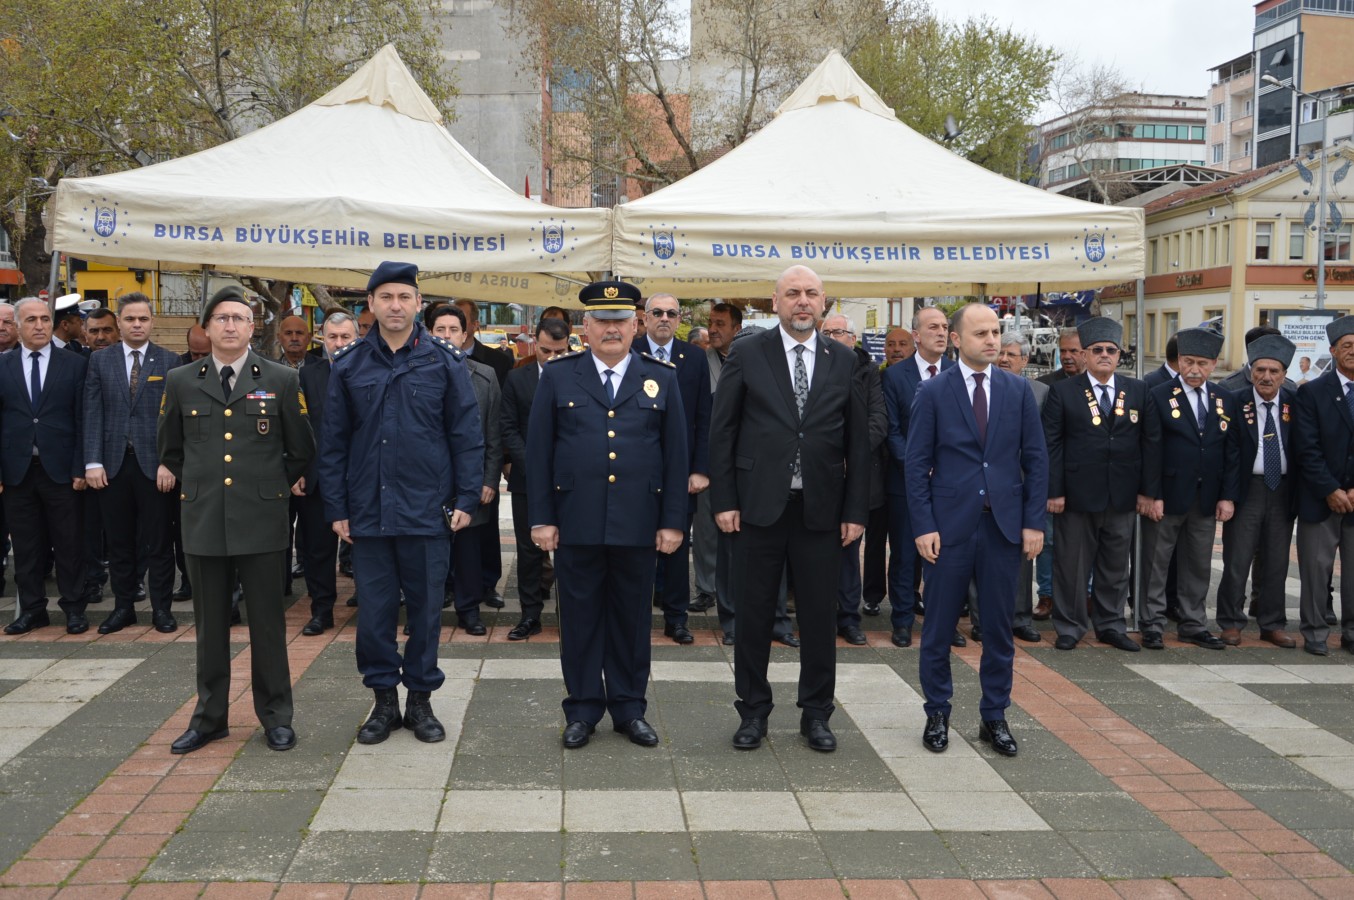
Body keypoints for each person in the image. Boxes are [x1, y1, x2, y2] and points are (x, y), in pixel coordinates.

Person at [320, 263, 483, 745]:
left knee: (427, 611)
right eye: (385, 297)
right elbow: (333, 443)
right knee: (372, 614)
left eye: (404, 297)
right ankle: (384, 701)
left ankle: (420, 702)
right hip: (368, 513)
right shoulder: (348, 365)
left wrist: (466, 498)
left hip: (427, 510)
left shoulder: (444, 362)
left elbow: (466, 435)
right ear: (369, 304)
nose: (395, 305)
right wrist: (337, 508)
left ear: (418, 303)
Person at [710, 265, 868, 754]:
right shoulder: (748, 353)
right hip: (758, 508)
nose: (803, 301)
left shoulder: (845, 361)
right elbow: (723, 430)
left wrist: (856, 510)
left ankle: (817, 714)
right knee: (754, 616)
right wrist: (725, 500)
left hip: (822, 509)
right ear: (774, 302)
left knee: (821, 618)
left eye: (812, 294)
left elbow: (858, 443)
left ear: (824, 303)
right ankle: (753, 712)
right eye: (793, 293)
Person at [526, 280, 688, 750]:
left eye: (621, 321)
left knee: (632, 620)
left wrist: (673, 520)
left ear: (636, 326)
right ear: (586, 327)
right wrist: (542, 518)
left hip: (639, 523)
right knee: (578, 619)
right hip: (576, 521)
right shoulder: (559, 376)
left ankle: (629, 708)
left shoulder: (663, 376)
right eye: (603, 321)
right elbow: (539, 455)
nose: (612, 329)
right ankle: (581, 709)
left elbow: (676, 456)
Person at [157, 285, 313, 753]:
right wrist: (203, 487)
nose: (229, 325)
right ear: (206, 328)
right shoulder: (181, 380)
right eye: (221, 318)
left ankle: (276, 717)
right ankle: (209, 719)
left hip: (262, 520)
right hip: (204, 520)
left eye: (238, 318)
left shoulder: (281, 378)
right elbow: (170, 449)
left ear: (252, 327)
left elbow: (301, 449)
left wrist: (268, 489)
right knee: (209, 629)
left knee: (267, 625)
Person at [906, 303, 1047, 758]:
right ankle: (937, 713)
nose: (992, 340)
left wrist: (1032, 522)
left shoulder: (1017, 390)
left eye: (996, 332)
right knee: (940, 626)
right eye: (982, 333)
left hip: (1004, 528)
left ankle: (994, 716)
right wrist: (924, 525)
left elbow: (1036, 461)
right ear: (957, 338)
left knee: (1000, 628)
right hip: (949, 529)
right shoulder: (934, 392)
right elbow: (916, 464)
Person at [1042, 317, 1158, 653]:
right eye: (1097, 350)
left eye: (1111, 349)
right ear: (1085, 356)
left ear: (1119, 354)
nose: (1104, 354)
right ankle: (1069, 626)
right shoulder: (1063, 392)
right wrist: (1055, 491)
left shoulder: (1137, 390)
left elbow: (1151, 442)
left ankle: (1110, 624)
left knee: (1115, 567)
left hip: (1121, 495)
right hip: (1076, 495)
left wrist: (1147, 492)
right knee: (1071, 565)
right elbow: (1052, 443)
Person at [84, 293, 182, 634]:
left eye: (142, 319)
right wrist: (92, 461)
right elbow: (92, 412)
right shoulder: (100, 361)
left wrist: (170, 462)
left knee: (159, 541)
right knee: (119, 542)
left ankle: (161, 609)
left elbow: (175, 418)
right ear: (120, 323)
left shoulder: (170, 361)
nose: (136, 324)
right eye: (130, 319)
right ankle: (123, 607)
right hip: (111, 466)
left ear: (151, 322)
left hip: (156, 468)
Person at [1140, 327, 1240, 651]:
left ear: (1214, 364)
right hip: (1167, 496)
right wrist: (1152, 494)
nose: (1194, 370)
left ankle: (1193, 623)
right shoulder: (1158, 394)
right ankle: (1152, 623)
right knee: (1157, 562)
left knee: (1198, 563)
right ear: (1179, 361)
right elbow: (1150, 448)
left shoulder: (1224, 398)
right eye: (1188, 362)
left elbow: (1232, 452)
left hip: (1206, 498)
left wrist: (1227, 495)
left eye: (1202, 363)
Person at [0, 298, 89, 635]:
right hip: (17, 471)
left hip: (62, 470)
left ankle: (74, 608)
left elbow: (83, 418)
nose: (39, 325)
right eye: (31, 320)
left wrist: (81, 465)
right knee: (25, 547)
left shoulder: (74, 364)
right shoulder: (3, 365)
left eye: (44, 319)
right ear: (17, 327)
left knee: (68, 543)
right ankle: (32, 610)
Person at [881, 306, 963, 648]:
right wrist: (918, 465)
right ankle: (902, 620)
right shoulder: (894, 376)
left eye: (945, 327)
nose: (941, 333)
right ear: (916, 335)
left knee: (946, 557)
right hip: (906, 482)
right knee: (905, 554)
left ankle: (943, 621)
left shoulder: (959, 373)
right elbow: (892, 430)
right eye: (933, 327)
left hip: (949, 485)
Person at [1217, 333, 1298, 648]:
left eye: (1273, 371)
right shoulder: (1236, 402)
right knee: (1237, 559)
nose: (1266, 376)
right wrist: (1227, 495)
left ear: (1283, 375)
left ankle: (1272, 623)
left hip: (1283, 489)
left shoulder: (1294, 402)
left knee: (1278, 561)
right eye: (1260, 370)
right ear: (1251, 371)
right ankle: (1231, 622)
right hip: (1247, 489)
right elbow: (1228, 454)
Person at [426, 303, 502, 635]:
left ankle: (468, 609)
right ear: (429, 335)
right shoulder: (414, 373)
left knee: (469, 549)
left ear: (465, 335)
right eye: (439, 330)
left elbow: (494, 436)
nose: (446, 336)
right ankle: (425, 613)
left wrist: (489, 480)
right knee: (428, 551)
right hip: (428, 480)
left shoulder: (485, 378)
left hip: (470, 480)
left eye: (453, 330)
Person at [641, 293, 711, 645]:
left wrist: (700, 469)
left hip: (680, 471)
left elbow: (704, 416)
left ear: (680, 318)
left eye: (671, 313)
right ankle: (635, 617)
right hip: (637, 471)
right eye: (658, 312)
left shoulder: (695, 357)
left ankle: (676, 618)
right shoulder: (629, 349)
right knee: (638, 546)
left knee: (677, 544)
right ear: (644, 317)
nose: (664, 318)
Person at [501, 317, 572, 640]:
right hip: (528, 480)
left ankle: (571, 615)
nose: (553, 357)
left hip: (572, 481)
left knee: (571, 549)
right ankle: (530, 615)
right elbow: (508, 428)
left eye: (560, 351)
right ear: (534, 344)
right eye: (546, 350)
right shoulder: (517, 379)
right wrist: (533, 464)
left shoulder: (581, 377)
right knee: (529, 551)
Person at [821, 314, 886, 645]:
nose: (833, 337)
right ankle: (816, 616)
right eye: (827, 331)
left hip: (854, 474)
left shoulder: (868, 370)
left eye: (839, 332)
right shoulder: (812, 366)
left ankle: (848, 617)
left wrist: (851, 454)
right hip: (818, 473)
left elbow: (877, 420)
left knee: (849, 549)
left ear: (853, 338)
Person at [1292, 317, 1354, 656]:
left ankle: (1352, 631)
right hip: (1321, 497)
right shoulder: (1312, 392)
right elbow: (1306, 448)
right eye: (1346, 345)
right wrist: (1331, 488)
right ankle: (1315, 630)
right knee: (1316, 570)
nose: (1353, 352)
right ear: (1332, 351)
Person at [295, 311, 358, 635]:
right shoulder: (309, 374)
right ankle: (322, 611)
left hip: (361, 478)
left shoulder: (369, 369)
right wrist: (298, 470)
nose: (338, 344)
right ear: (322, 338)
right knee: (318, 551)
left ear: (356, 337)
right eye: (332, 337)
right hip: (318, 478)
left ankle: (370, 606)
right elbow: (298, 426)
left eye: (345, 337)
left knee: (365, 547)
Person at [982, 332, 1047, 644]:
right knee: (979, 556)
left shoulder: (1040, 393)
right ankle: (983, 619)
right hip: (983, 487)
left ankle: (1020, 618)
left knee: (1022, 557)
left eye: (1012, 354)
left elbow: (1042, 449)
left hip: (1019, 486)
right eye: (1001, 353)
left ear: (1025, 360)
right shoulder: (980, 387)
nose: (1004, 359)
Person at [692, 301, 743, 618]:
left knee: (739, 530)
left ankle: (737, 588)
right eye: (711, 322)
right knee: (706, 531)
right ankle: (705, 589)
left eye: (721, 323)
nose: (713, 329)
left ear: (736, 329)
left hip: (743, 463)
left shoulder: (750, 360)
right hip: (709, 462)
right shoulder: (698, 362)